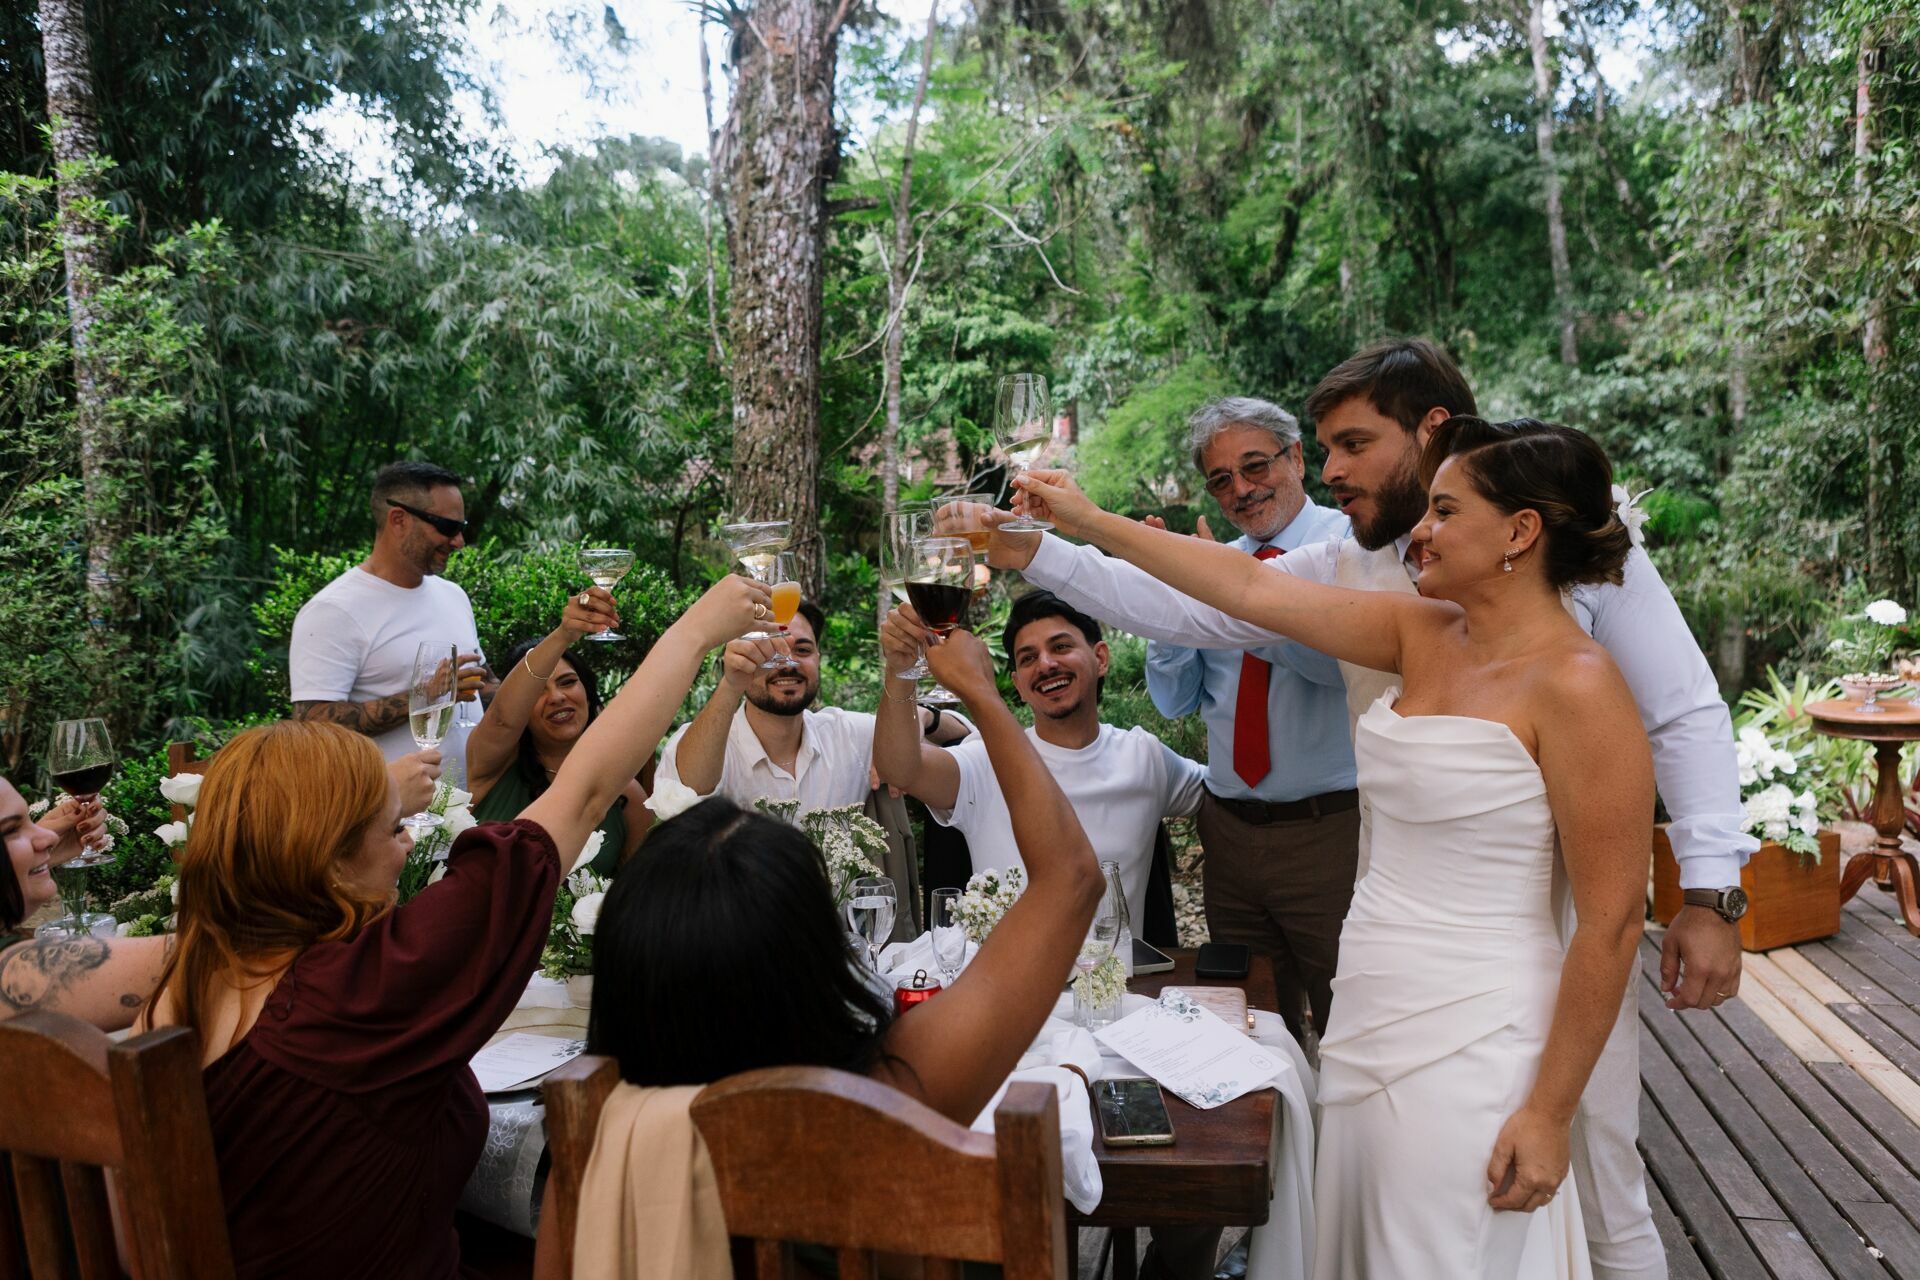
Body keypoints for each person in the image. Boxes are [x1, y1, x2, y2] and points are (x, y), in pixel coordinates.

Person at [995, 339, 1753, 1280]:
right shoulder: (1398, 606)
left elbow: (1681, 715)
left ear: (1441, 444)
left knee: (1594, 1169)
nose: (1337, 473)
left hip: (1525, 956)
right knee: (1377, 1217)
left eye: (1355, 444)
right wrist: (1058, 534)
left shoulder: (1581, 634)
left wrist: (1713, 893)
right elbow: (1221, 592)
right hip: (1385, 962)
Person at [136, 573, 767, 1280]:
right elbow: (585, 791)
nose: (408, 844)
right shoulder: (370, 988)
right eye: (390, 828)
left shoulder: (184, 976)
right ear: (330, 864)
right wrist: (692, 633)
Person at [534, 627, 1104, 1280]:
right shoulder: (890, 1100)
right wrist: (982, 692)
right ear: (813, 955)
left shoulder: (599, 1145)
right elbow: (1071, 878)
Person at [1140, 396, 1356, 1046]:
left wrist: (1234, 599)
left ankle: (1353, 1152)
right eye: (1221, 479)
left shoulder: (1348, 546)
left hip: (1331, 835)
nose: (1241, 489)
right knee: (1253, 1028)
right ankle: (1280, 1151)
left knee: (1355, 1030)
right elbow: (1174, 701)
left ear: (1296, 458)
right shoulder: (1211, 565)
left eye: (1255, 466)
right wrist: (1171, 599)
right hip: (1230, 834)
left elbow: (1338, 671)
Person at [874, 590, 1206, 932]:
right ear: (1018, 684)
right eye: (1028, 658)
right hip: (1007, 980)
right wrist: (900, 670)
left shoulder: (1145, 757)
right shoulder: (986, 759)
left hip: (1116, 981)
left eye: (1061, 647)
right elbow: (900, 769)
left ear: (1100, 658)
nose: (1046, 665)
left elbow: (1225, 792)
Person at [655, 598, 970, 815]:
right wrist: (731, 683)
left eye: (803, 649)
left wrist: (923, 718)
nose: (788, 662)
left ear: (819, 659)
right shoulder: (702, 743)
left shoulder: (847, 735)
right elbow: (684, 797)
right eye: (769, 650)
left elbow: (964, 736)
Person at [290, 460, 495, 781]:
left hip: (469, 810)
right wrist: (425, 697)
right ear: (398, 519)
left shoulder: (454, 596)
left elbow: (482, 687)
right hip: (390, 820)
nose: (458, 542)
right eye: (447, 527)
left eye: (462, 528)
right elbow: (311, 727)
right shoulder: (334, 610)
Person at [466, 587, 645, 877]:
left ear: (587, 691)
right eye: (538, 690)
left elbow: (636, 889)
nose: (557, 697)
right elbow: (501, 719)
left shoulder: (625, 793)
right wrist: (564, 634)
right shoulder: (492, 765)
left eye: (567, 682)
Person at [1, 779, 170, 1027]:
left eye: (30, 821)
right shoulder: (14, 973)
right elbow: (205, 960)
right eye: (10, 830)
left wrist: (36, 862)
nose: (48, 836)